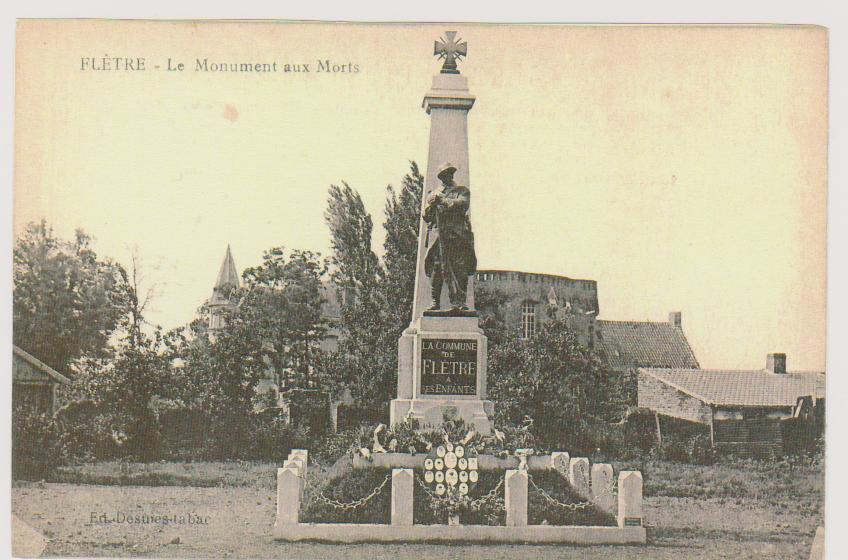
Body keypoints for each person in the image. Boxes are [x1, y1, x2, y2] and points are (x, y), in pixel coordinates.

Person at [423, 162, 477, 311]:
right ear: (441, 177)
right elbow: (427, 216)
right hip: (438, 236)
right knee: (437, 268)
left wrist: (443, 201)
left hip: (456, 236)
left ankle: (459, 302)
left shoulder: (462, 191)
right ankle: (434, 301)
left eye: (451, 173)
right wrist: (432, 205)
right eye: (446, 174)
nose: (450, 176)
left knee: (460, 268)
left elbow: (462, 204)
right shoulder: (432, 194)